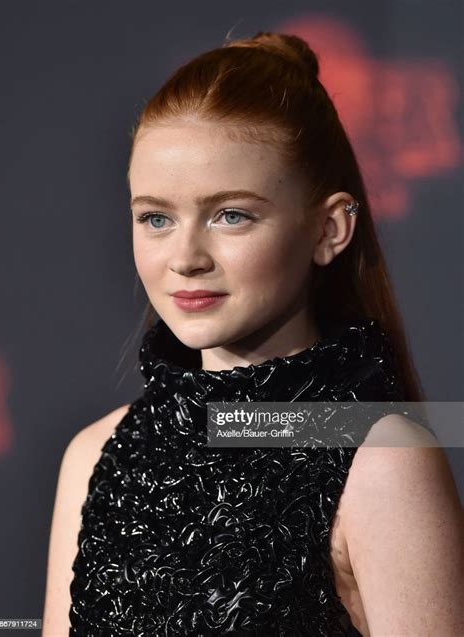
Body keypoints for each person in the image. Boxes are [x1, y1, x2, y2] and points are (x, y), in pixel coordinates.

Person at [42, 32, 463, 636]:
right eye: (156, 218)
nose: (185, 257)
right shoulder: (93, 457)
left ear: (329, 230)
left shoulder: (381, 459)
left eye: (230, 215)